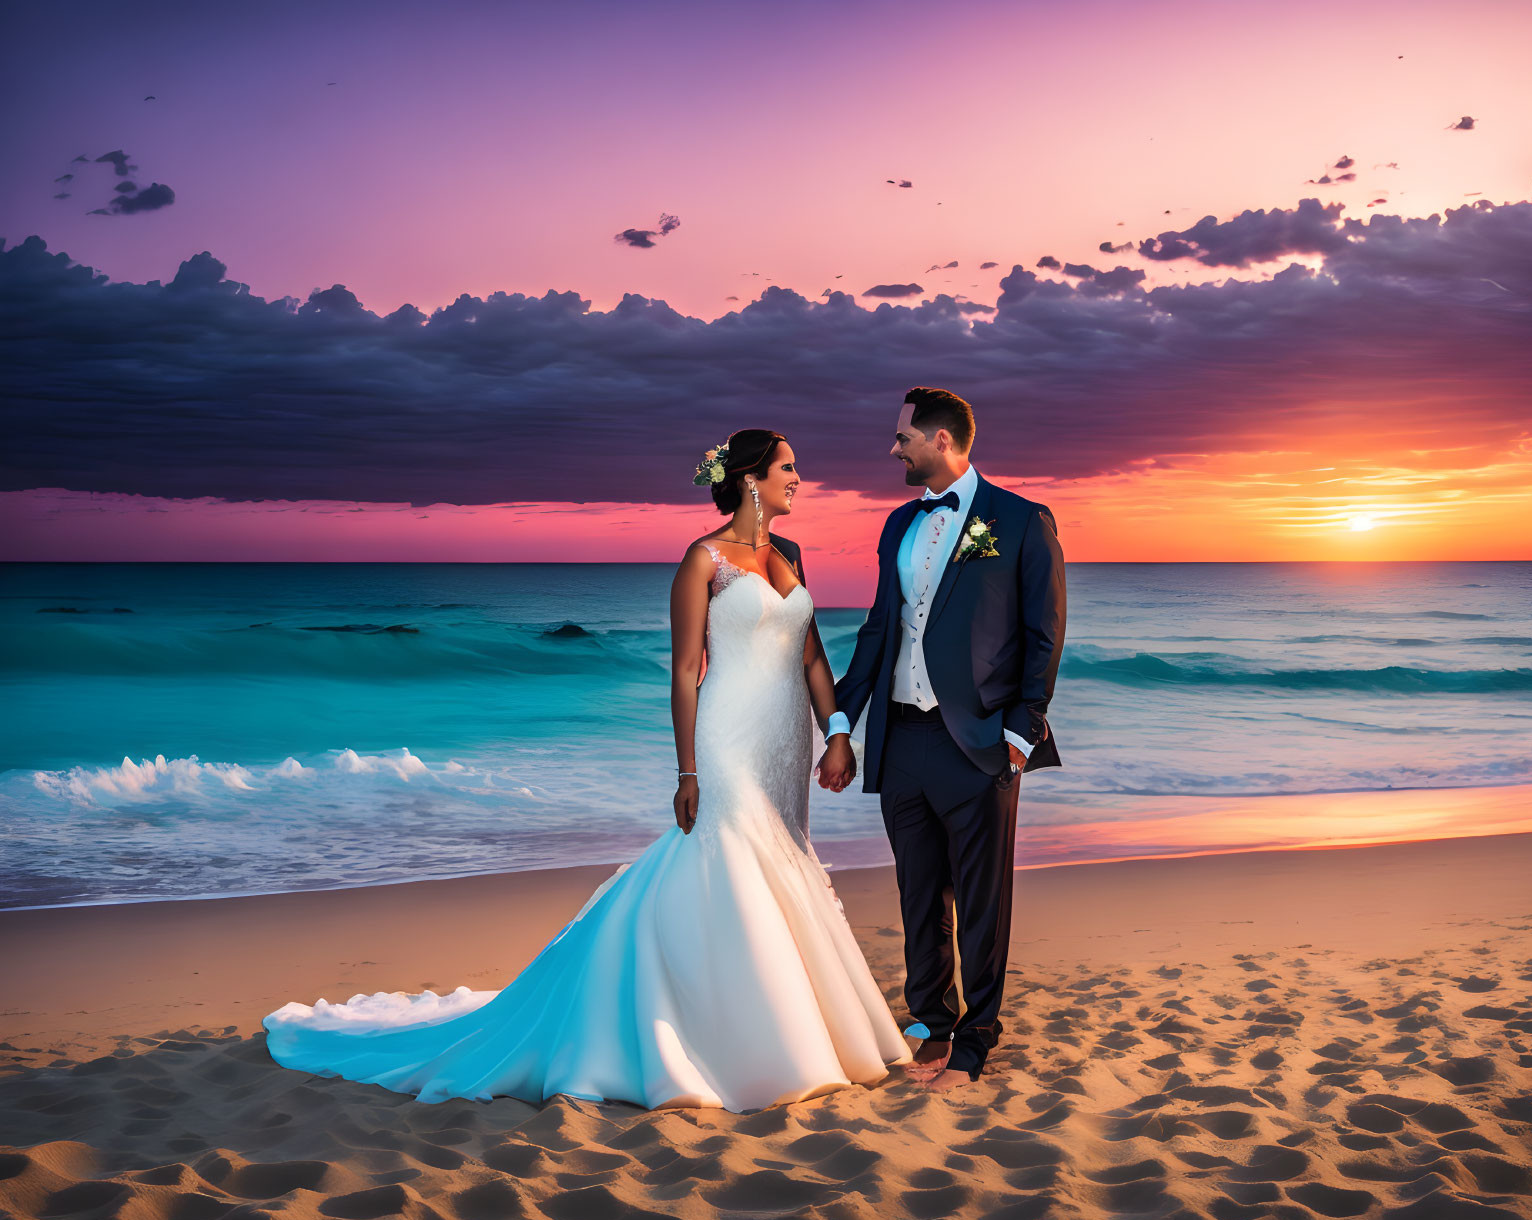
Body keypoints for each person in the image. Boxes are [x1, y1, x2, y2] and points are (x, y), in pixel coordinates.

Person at [263, 430, 911, 1111]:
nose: (798, 478)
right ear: (750, 478)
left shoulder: (791, 554)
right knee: (732, 858)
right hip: (728, 738)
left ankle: (787, 1026)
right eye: (787, 467)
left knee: (782, 862)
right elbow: (688, 670)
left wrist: (836, 730)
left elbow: (810, 656)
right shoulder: (703, 560)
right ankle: (744, 1039)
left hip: (786, 740)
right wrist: (687, 771)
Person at [824, 388, 1067, 1093]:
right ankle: (928, 1020)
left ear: (940, 440)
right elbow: (879, 629)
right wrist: (841, 723)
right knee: (917, 890)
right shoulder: (898, 522)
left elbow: (1042, 632)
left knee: (983, 902)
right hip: (901, 738)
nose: (893, 449)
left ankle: (975, 1040)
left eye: (902, 438)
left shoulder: (1021, 521)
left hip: (980, 741)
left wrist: (1021, 731)